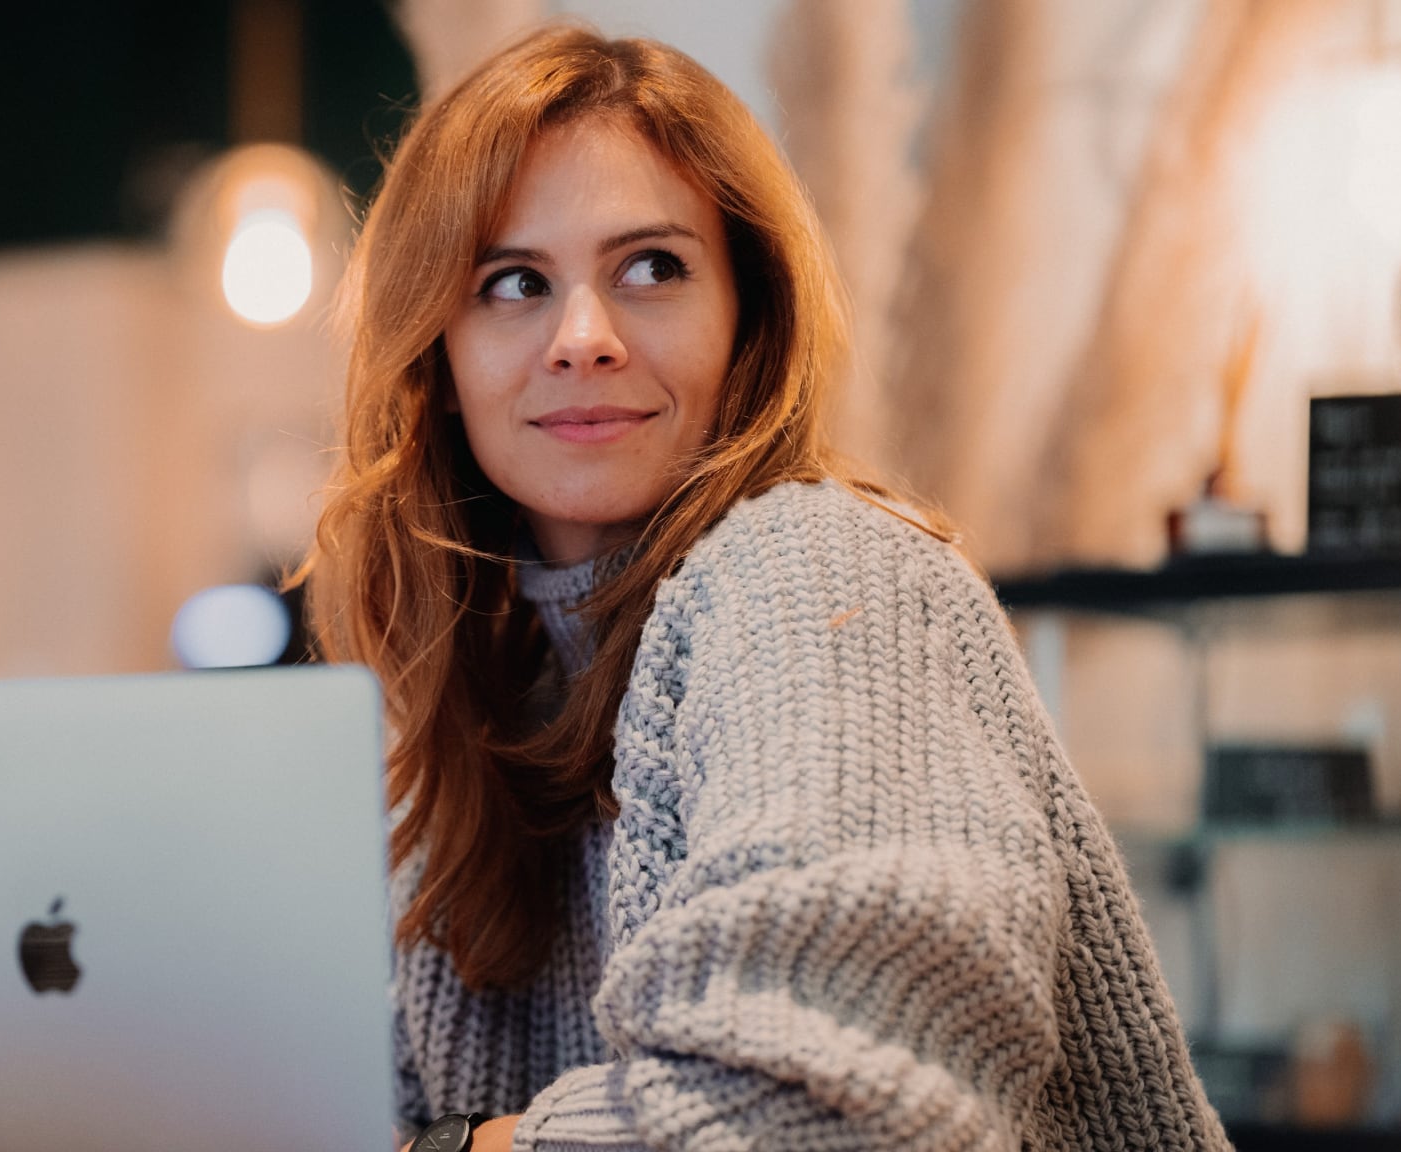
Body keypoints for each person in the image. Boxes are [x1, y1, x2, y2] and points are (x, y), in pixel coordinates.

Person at [299, 23, 1230, 1152]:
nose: (583, 337)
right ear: (434, 358)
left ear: (748, 316)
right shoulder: (474, 693)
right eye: (512, 282)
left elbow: (823, 1117)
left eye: (652, 267)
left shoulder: (824, 577)